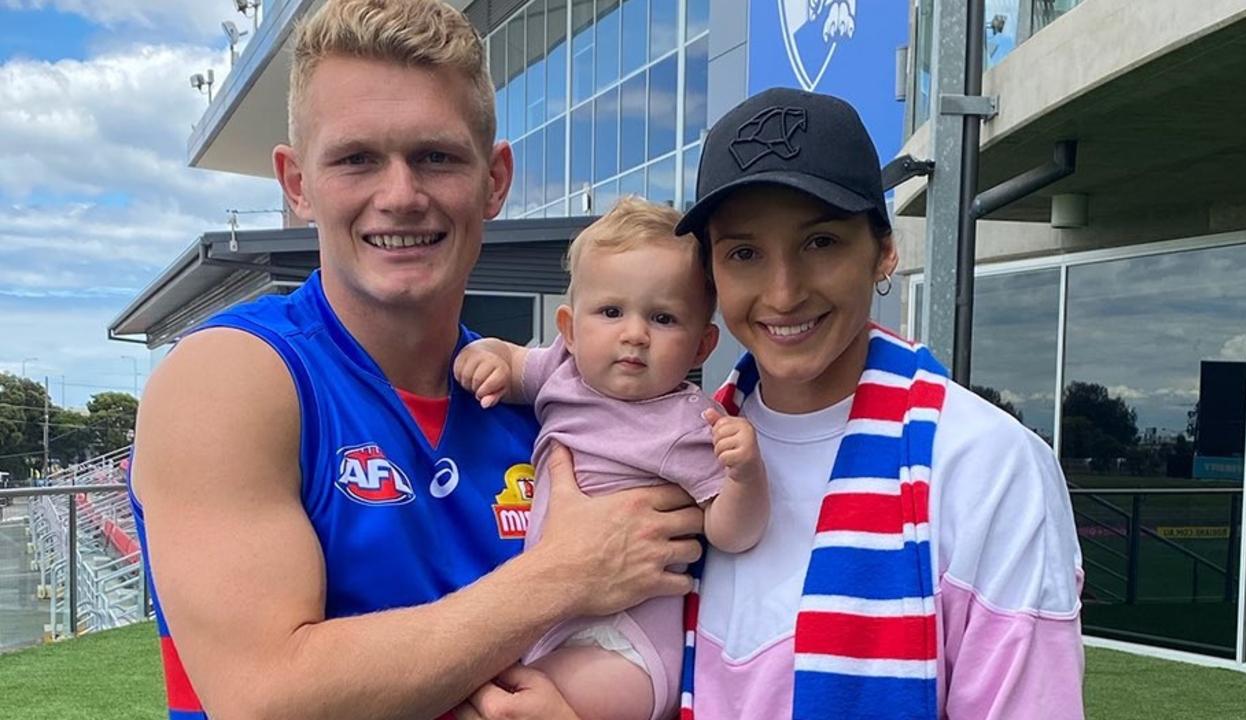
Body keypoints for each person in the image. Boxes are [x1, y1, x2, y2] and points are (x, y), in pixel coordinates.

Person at [128, 2, 702, 719]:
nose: (401, 196)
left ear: (495, 179)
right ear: (296, 183)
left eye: (436, 156)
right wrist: (563, 576)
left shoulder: (551, 402)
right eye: (357, 159)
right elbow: (265, 694)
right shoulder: (232, 379)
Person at [486, 88, 1086, 720]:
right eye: (745, 252)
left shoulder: (989, 463)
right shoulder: (677, 440)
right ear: (714, 277)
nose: (783, 291)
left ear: (884, 250)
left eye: (820, 242)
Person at [453, 197, 769, 720]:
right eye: (611, 311)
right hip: (556, 619)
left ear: (701, 347)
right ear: (570, 330)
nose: (634, 333)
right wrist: (484, 357)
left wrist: (745, 476)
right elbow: (513, 362)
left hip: (622, 646)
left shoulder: (689, 422)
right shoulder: (561, 370)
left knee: (488, 702)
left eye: (664, 317)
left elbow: (734, 531)